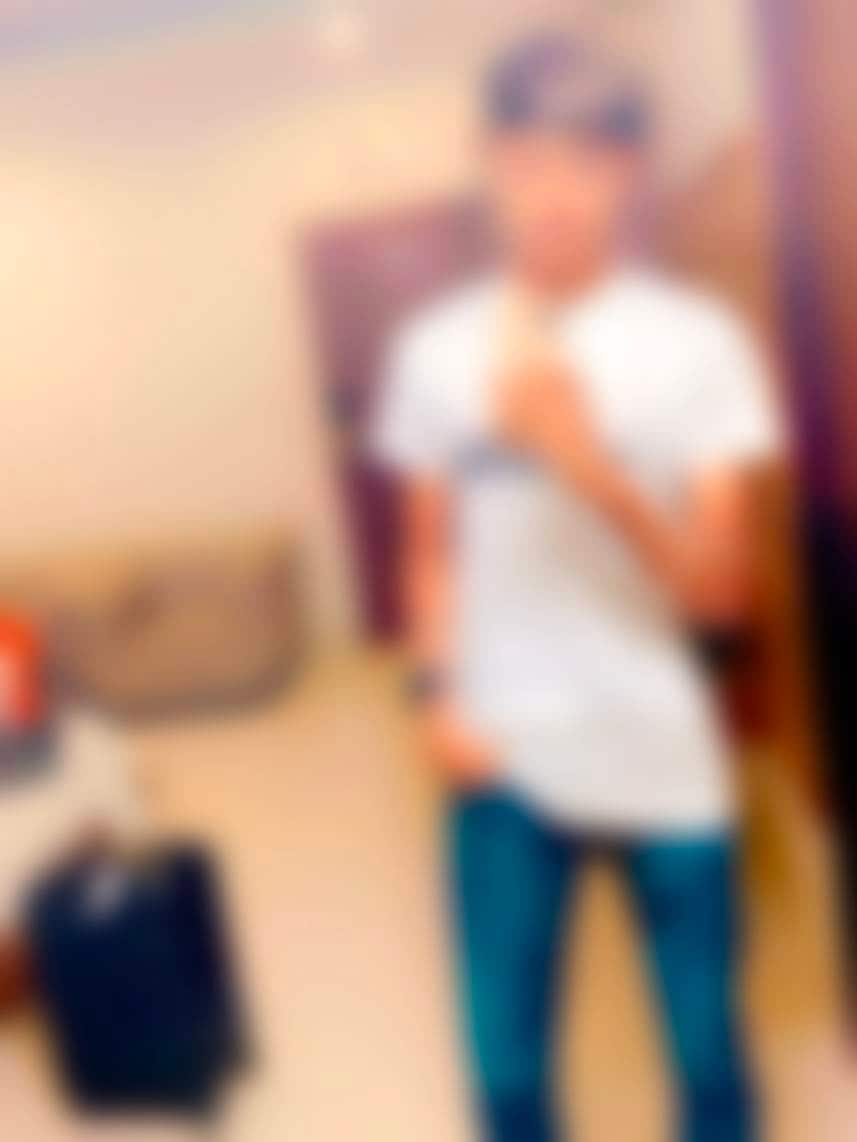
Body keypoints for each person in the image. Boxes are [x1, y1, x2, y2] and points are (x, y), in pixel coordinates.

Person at [372, 30, 782, 1142]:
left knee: (710, 1068)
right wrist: (435, 697)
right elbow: (426, 549)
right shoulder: (432, 350)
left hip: (661, 744)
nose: (552, 196)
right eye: (524, 163)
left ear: (628, 171)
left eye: (584, 164)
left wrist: (588, 466)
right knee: (507, 1084)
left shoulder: (696, 343)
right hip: (500, 760)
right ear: (486, 163)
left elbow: (721, 598)